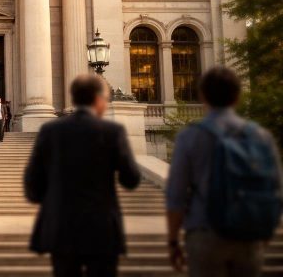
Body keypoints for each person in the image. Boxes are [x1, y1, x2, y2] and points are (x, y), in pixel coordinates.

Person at [166, 66, 283, 277]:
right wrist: (263, 234)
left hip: (205, 233)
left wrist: (173, 239)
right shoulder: (261, 136)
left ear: (202, 96)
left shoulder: (190, 137)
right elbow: (276, 189)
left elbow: (176, 195)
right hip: (248, 234)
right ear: (237, 96)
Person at [24, 74, 140, 277]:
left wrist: (52, 199)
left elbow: (32, 186)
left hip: (61, 228)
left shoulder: (50, 131)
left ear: (74, 99)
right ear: (97, 99)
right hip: (102, 230)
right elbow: (131, 179)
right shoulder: (112, 131)